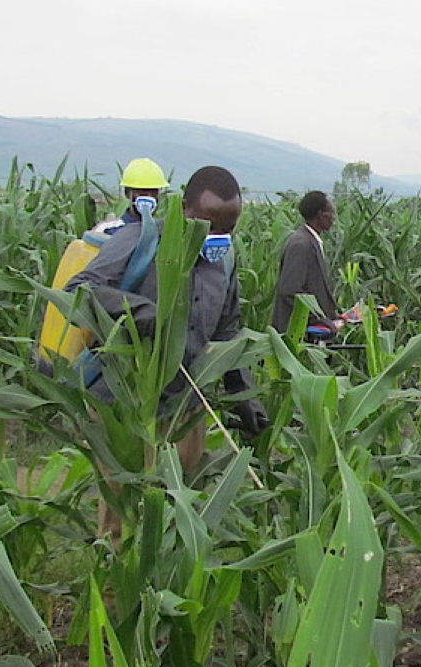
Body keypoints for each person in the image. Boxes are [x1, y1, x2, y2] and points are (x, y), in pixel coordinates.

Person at [65, 165, 269, 534]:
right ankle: (115, 585)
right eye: (209, 224)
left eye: (229, 227)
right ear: (184, 210)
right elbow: (81, 289)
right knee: (121, 512)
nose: (218, 235)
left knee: (183, 503)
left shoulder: (224, 260)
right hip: (124, 400)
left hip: (184, 407)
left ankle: (165, 582)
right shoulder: (141, 241)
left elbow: (228, 329)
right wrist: (138, 311)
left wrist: (243, 394)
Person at [270, 190, 343, 340]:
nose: (333, 218)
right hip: (296, 335)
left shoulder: (310, 242)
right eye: (330, 212)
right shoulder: (301, 245)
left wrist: (332, 317)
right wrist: (320, 320)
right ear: (320, 214)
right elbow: (290, 290)